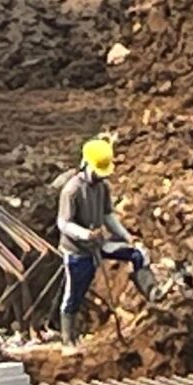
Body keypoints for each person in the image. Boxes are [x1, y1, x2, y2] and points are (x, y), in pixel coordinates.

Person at [55, 137, 153, 341]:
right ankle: (68, 337)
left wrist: (127, 236)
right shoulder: (72, 190)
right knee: (75, 294)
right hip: (78, 250)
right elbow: (64, 223)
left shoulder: (102, 187)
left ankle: (151, 293)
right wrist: (85, 234)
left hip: (99, 243)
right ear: (87, 164)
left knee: (137, 255)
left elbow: (108, 215)